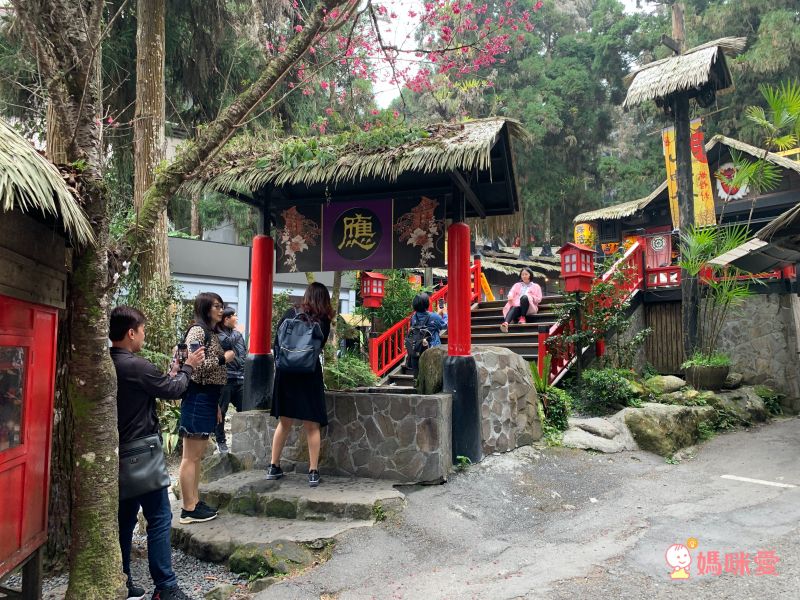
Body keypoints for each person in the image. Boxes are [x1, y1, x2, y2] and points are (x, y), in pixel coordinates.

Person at [110, 305, 204, 600]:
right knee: (160, 517)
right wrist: (188, 367)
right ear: (130, 333)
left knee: (124, 520)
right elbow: (173, 389)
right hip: (142, 451)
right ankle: (165, 587)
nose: (143, 336)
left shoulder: (107, 363)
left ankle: (123, 583)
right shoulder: (135, 366)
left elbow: (160, 384)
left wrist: (175, 373)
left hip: (116, 453)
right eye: (142, 331)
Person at [267, 282, 333, 487]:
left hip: (286, 373)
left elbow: (276, 342)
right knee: (312, 426)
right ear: (324, 299)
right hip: (308, 373)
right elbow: (319, 347)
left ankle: (273, 466)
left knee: (284, 423)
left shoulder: (290, 312)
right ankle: (313, 471)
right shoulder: (322, 320)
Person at [178, 292, 235, 524]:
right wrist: (224, 359)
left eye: (222, 307)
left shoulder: (211, 332)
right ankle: (187, 508)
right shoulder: (198, 331)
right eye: (217, 307)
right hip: (197, 396)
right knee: (190, 456)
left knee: (197, 456)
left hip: (208, 397)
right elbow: (195, 367)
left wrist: (217, 406)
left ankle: (194, 501)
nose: (221, 311)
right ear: (205, 309)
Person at [216, 306, 246, 453]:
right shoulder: (218, 332)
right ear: (226, 319)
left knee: (244, 409)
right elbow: (226, 343)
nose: (237, 318)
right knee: (221, 410)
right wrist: (239, 333)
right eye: (234, 315)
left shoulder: (236, 333)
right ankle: (220, 441)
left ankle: (243, 440)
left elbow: (242, 351)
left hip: (239, 378)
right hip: (225, 378)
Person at [500, 267, 543, 333]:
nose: (524, 276)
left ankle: (523, 317)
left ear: (530, 275)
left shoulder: (536, 286)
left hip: (529, 307)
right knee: (514, 307)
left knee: (524, 297)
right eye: (522, 274)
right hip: (518, 307)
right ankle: (505, 324)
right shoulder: (517, 285)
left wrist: (530, 297)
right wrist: (510, 296)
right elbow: (511, 292)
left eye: (526, 274)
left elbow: (539, 299)